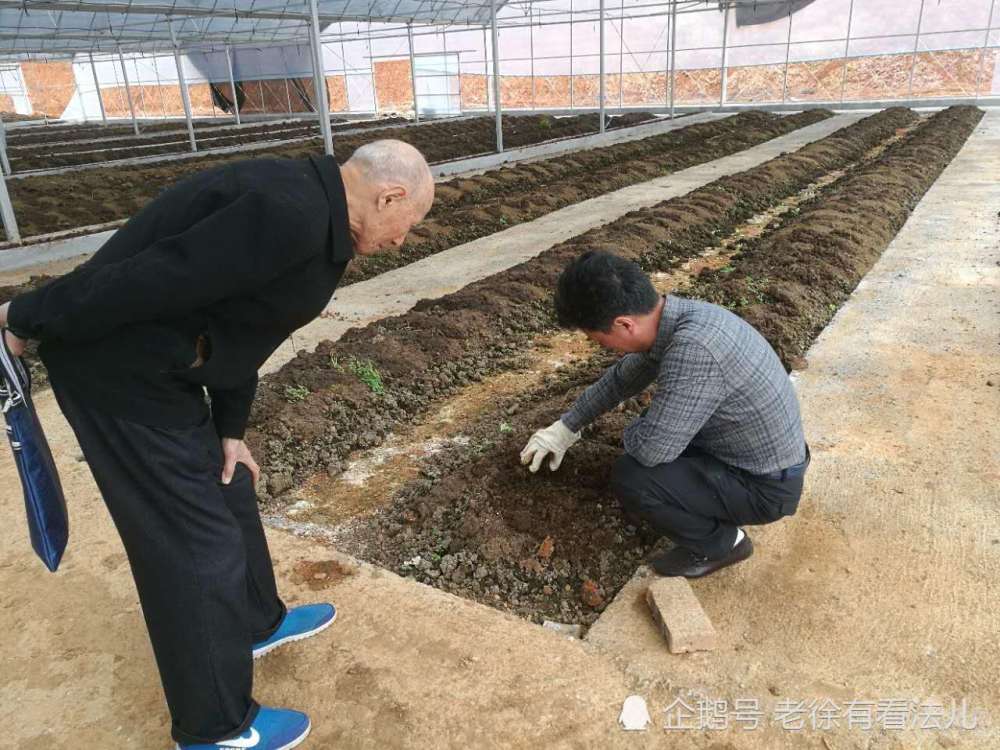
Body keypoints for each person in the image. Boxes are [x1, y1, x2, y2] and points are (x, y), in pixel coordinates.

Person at [0, 139, 434, 750]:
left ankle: (257, 621)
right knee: (193, 545)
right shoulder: (289, 214)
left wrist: (231, 430)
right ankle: (212, 728)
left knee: (232, 484)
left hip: (170, 366)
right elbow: (150, 277)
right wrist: (27, 315)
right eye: (407, 226)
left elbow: (245, 326)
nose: (401, 241)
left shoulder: (316, 219)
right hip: (120, 375)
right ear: (389, 196)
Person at [520, 251, 808, 579]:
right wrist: (567, 426)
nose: (605, 349)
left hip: (765, 487)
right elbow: (621, 380)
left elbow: (652, 450)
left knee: (634, 476)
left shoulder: (695, 351)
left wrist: (641, 426)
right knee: (659, 437)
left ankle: (723, 543)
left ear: (624, 324)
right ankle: (710, 503)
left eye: (600, 341)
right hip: (756, 456)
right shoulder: (683, 319)